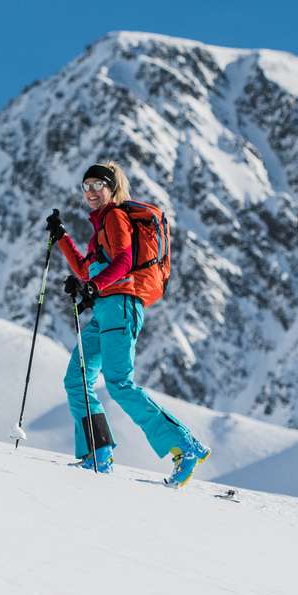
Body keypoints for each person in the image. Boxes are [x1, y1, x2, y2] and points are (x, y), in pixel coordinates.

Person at [48, 161, 210, 487]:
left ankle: (185, 446)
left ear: (111, 189)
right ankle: (98, 453)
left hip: (121, 305)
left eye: (98, 185)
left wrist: (95, 286)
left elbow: (123, 261)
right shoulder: (99, 229)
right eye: (86, 186)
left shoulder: (115, 216)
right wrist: (62, 238)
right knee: (77, 379)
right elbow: (85, 268)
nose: (91, 192)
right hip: (105, 310)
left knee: (120, 383)